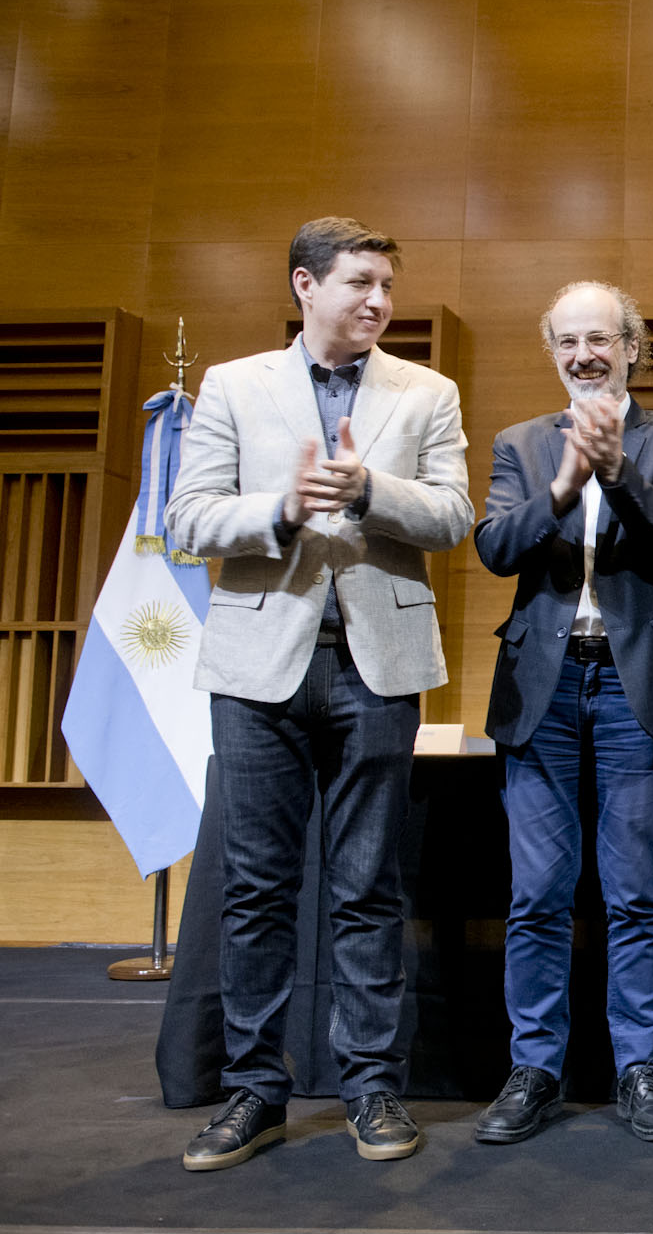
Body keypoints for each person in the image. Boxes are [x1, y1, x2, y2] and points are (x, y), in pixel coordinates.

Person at [166, 217, 473, 1170]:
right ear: (305, 284)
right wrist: (283, 507)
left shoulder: (428, 390)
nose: (379, 300)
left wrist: (369, 487)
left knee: (368, 886)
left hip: (375, 665)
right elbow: (186, 518)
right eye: (360, 282)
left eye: (387, 285)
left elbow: (455, 513)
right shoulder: (233, 383)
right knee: (256, 888)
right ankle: (253, 1088)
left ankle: (371, 1087)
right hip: (260, 666)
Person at [470, 281, 653, 1145]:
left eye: (598, 338)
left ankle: (639, 1067)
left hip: (631, 684)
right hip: (542, 688)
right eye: (566, 341)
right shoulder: (520, 442)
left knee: (635, 893)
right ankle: (534, 1066)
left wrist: (615, 468)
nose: (582, 355)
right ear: (553, 352)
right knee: (536, 893)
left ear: (630, 346)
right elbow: (496, 546)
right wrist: (566, 484)